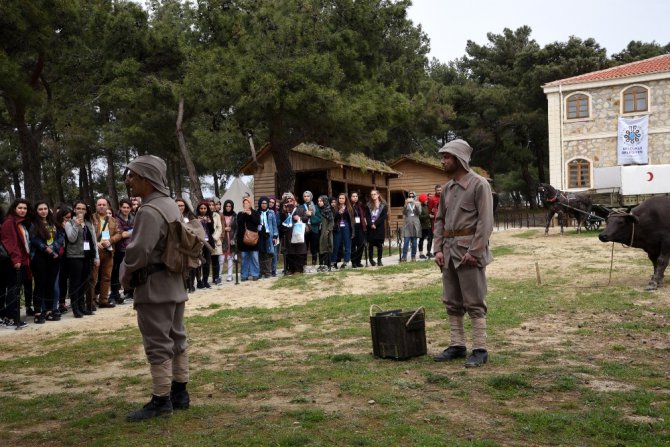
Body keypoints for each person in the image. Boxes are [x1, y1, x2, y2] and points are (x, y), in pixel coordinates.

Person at [121, 154, 190, 421]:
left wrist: (124, 274)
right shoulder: (170, 204)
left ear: (146, 179)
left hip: (154, 286)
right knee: (176, 338)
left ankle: (162, 400)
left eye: (133, 176)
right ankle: (180, 393)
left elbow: (138, 252)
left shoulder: (149, 211)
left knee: (158, 343)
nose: (129, 181)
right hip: (174, 283)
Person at [432, 139, 494, 368]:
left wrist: (475, 251)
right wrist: (437, 249)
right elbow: (439, 220)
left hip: (469, 252)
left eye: (447, 157)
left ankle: (480, 349)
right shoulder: (447, 188)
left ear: (459, 159)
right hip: (448, 252)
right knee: (452, 300)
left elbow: (486, 222)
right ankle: (457, 344)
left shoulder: (479, 185)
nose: (443, 161)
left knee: (474, 301)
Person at [29, 201, 65, 323]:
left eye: (45, 208)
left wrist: (54, 247)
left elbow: (61, 236)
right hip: (40, 257)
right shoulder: (33, 224)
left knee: (50, 284)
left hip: (54, 257)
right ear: (36, 211)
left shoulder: (53, 222)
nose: (43, 211)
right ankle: (38, 312)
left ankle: (50, 311)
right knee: (40, 284)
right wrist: (47, 249)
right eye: (40, 209)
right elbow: (34, 239)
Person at [65, 201, 100, 318]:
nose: (80, 210)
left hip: (87, 256)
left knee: (84, 283)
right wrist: (76, 224)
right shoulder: (69, 223)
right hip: (75, 257)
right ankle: (75, 308)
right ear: (74, 210)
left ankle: (82, 307)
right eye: (78, 208)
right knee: (75, 283)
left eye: (83, 209)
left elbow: (94, 241)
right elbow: (71, 238)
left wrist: (96, 257)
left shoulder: (89, 223)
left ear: (86, 210)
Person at [1, 199, 32, 329]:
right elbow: (10, 243)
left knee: (16, 290)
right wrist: (16, 260)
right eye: (20, 208)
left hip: (22, 260)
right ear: (14, 208)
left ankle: (12, 316)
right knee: (13, 290)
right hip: (14, 262)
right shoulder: (10, 222)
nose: (22, 210)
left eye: (25, 208)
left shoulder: (21, 223)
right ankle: (10, 318)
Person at [91, 198, 122, 308]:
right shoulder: (90, 218)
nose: (101, 206)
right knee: (93, 278)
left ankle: (103, 300)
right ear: (96, 205)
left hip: (108, 252)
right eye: (99, 204)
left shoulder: (113, 220)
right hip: (95, 252)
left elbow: (119, 234)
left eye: (104, 204)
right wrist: (95, 243)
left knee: (106, 277)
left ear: (107, 206)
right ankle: (91, 301)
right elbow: (86, 234)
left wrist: (110, 241)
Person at [279, 192, 310, 274]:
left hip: (298, 233)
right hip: (289, 234)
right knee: (290, 252)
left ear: (294, 201)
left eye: (291, 200)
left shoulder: (300, 209)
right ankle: (291, 269)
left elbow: (306, 218)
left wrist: (299, 218)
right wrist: (284, 212)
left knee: (299, 251)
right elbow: (282, 221)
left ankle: (299, 269)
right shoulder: (286, 210)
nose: (290, 202)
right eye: (288, 201)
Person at [111, 199, 135, 304]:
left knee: (131, 272)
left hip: (132, 248)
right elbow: (121, 234)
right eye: (124, 207)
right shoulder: (115, 219)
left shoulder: (133, 218)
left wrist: (127, 232)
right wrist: (132, 231)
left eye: (128, 207)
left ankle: (130, 292)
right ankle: (115, 293)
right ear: (120, 207)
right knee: (118, 272)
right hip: (120, 249)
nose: (126, 209)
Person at [176, 198, 198, 292]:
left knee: (191, 265)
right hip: (178, 245)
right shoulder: (172, 216)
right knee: (181, 266)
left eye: (182, 205)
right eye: (178, 205)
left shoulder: (190, 216)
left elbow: (196, 228)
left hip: (190, 244)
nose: (180, 207)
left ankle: (191, 284)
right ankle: (183, 285)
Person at [236, 197, 260, 281]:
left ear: (250, 204)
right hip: (243, 240)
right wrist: (244, 214)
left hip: (253, 239)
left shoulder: (256, 213)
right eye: (244, 203)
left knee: (254, 258)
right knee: (244, 259)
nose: (245, 205)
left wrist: (250, 214)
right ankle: (244, 275)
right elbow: (239, 223)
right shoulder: (240, 214)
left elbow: (257, 222)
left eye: (247, 203)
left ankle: (255, 274)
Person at [331, 193, 354, 269]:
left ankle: (346, 262)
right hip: (338, 227)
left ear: (345, 199)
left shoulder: (349, 208)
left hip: (346, 227)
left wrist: (352, 231)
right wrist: (338, 213)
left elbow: (352, 220)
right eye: (340, 198)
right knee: (336, 245)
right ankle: (333, 262)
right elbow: (333, 218)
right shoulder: (335, 208)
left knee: (347, 245)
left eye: (342, 198)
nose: (341, 200)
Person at [366, 189, 388, 266]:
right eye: (372, 194)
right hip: (370, 227)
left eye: (374, 194)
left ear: (378, 195)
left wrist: (375, 224)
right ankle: (371, 260)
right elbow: (367, 216)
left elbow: (383, 217)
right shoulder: (368, 205)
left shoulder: (383, 205)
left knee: (379, 245)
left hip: (379, 227)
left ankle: (379, 260)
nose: (373, 196)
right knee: (371, 245)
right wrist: (371, 224)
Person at [257, 196, 278, 278]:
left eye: (266, 203)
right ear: (260, 204)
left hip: (269, 235)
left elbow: (274, 224)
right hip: (260, 235)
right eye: (262, 203)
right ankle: (260, 271)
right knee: (261, 253)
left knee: (269, 253)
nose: (264, 205)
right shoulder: (257, 212)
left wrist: (275, 236)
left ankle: (267, 272)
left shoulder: (271, 212)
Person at [195, 201, 214, 289]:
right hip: (198, 242)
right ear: (198, 209)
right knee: (198, 263)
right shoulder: (195, 218)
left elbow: (212, 231)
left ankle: (205, 281)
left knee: (207, 262)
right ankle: (199, 281)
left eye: (205, 208)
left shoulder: (209, 217)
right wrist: (198, 222)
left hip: (207, 242)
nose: (203, 210)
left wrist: (209, 223)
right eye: (201, 208)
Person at [302, 191, 321, 267]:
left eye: (308, 196)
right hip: (304, 230)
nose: (306, 198)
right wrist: (305, 217)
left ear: (311, 197)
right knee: (304, 248)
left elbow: (319, 219)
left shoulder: (316, 207)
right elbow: (300, 218)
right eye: (305, 196)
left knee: (314, 248)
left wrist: (311, 216)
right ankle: (304, 264)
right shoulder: (301, 207)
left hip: (314, 229)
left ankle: (314, 264)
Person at [401, 191, 421, 261]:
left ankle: (413, 256)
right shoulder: (406, 203)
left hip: (415, 225)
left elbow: (419, 213)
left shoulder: (418, 203)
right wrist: (405, 205)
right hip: (407, 225)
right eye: (410, 196)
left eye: (412, 196)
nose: (411, 197)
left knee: (414, 242)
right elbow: (403, 212)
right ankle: (404, 256)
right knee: (406, 241)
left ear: (415, 197)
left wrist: (416, 206)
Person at [220, 200, 237, 282]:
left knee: (230, 257)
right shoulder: (221, 215)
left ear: (232, 207)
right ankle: (219, 275)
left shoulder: (235, 216)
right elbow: (217, 227)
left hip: (231, 238)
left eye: (230, 206)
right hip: (223, 239)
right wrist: (224, 229)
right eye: (226, 206)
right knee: (222, 258)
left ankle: (229, 275)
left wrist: (234, 238)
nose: (228, 208)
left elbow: (237, 228)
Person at [349, 190, 367, 268]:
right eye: (353, 196)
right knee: (353, 246)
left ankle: (358, 261)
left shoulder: (359, 205)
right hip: (352, 228)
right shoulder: (348, 206)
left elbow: (363, 215)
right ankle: (353, 262)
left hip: (360, 227)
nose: (355, 198)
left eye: (356, 196)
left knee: (361, 245)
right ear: (350, 197)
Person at [316, 195, 333, 272]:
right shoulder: (319, 210)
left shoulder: (328, 210)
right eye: (318, 201)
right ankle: (322, 265)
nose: (319, 202)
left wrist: (328, 231)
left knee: (326, 248)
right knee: (321, 248)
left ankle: (327, 265)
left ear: (325, 201)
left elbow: (331, 222)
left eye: (321, 201)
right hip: (320, 231)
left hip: (326, 232)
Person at [208, 200, 222, 285]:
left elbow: (219, 228)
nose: (211, 206)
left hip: (214, 240)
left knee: (215, 260)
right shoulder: (204, 216)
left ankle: (216, 278)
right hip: (206, 239)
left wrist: (214, 237)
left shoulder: (216, 215)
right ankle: (204, 279)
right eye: (209, 205)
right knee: (206, 260)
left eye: (212, 205)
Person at [418, 194, 432, 259]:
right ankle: (421, 253)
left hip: (428, 226)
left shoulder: (427, 206)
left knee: (430, 239)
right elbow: (420, 217)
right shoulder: (420, 207)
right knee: (421, 240)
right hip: (423, 227)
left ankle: (428, 252)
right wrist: (428, 216)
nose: (427, 200)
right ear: (423, 200)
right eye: (426, 199)